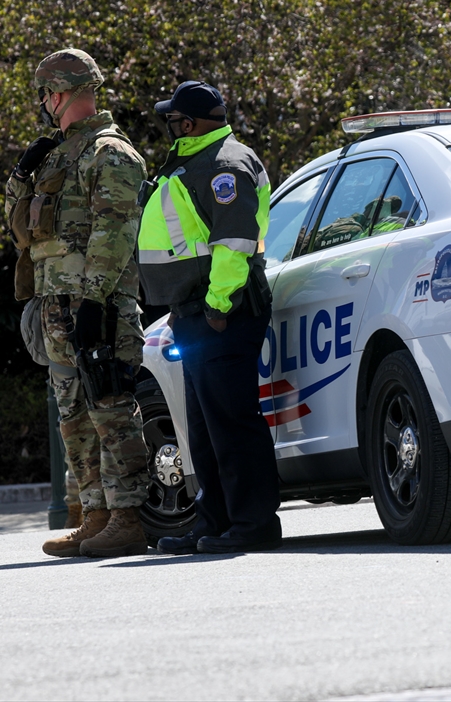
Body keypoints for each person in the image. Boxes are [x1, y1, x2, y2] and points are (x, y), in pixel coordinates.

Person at [5, 48, 150, 558]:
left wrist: (93, 301)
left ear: (61, 93)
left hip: (98, 306)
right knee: (74, 417)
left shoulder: (110, 153)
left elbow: (115, 232)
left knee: (111, 410)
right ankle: (95, 516)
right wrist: (20, 175)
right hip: (56, 305)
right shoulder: (56, 156)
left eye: (46, 94)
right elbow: (19, 229)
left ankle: (128, 518)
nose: (44, 103)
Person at [136, 80, 280, 554]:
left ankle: (253, 524)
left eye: (174, 119)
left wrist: (218, 308)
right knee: (204, 427)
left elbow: (234, 244)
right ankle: (213, 523)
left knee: (232, 423)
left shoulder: (224, 165)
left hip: (221, 312)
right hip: (195, 313)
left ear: (190, 123)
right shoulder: (199, 159)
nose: (169, 126)